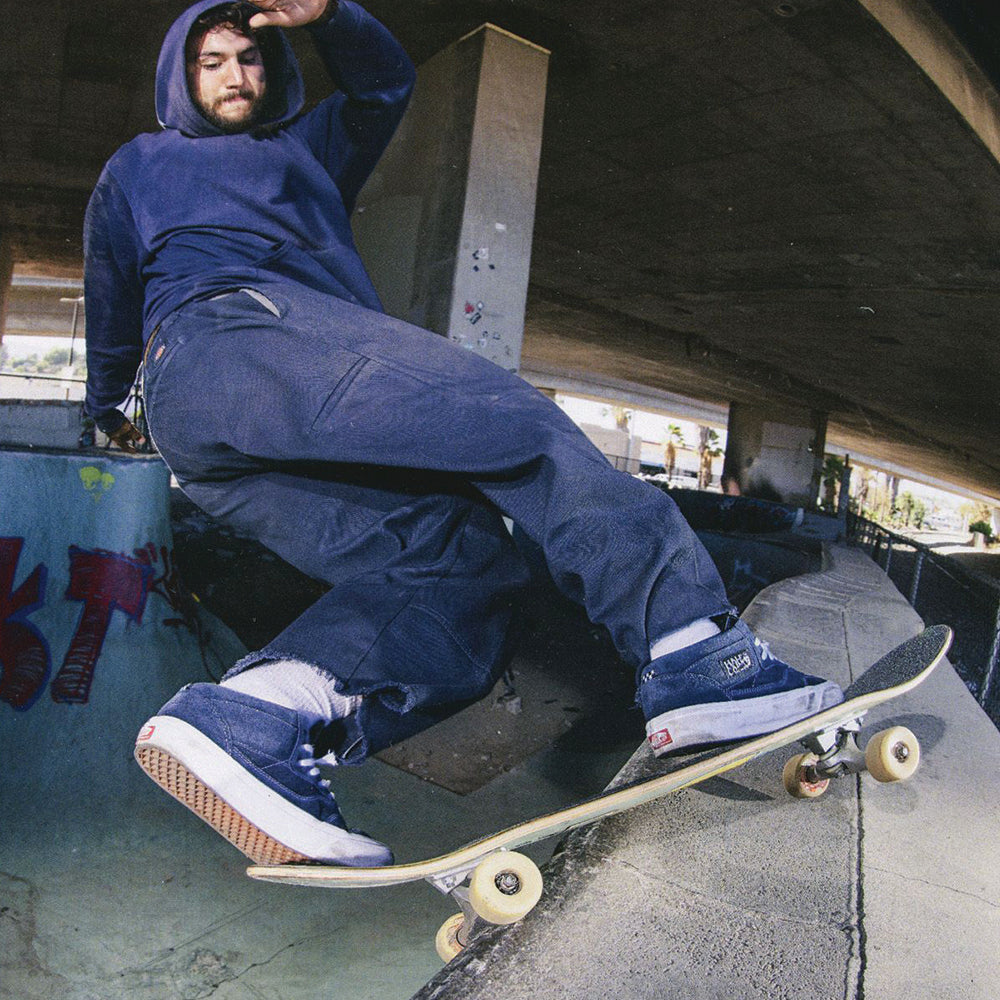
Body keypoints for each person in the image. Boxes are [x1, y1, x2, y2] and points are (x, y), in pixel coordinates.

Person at [85, 0, 842, 867]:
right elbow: (110, 288)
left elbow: (383, 85)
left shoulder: (306, 146)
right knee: (514, 424)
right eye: (212, 61)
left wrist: (329, 15)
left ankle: (261, 714)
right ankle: (694, 652)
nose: (234, 76)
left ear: (273, 69)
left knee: (460, 567)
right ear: (180, 75)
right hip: (233, 335)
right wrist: (107, 402)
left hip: (222, 433)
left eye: (249, 59)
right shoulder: (140, 162)